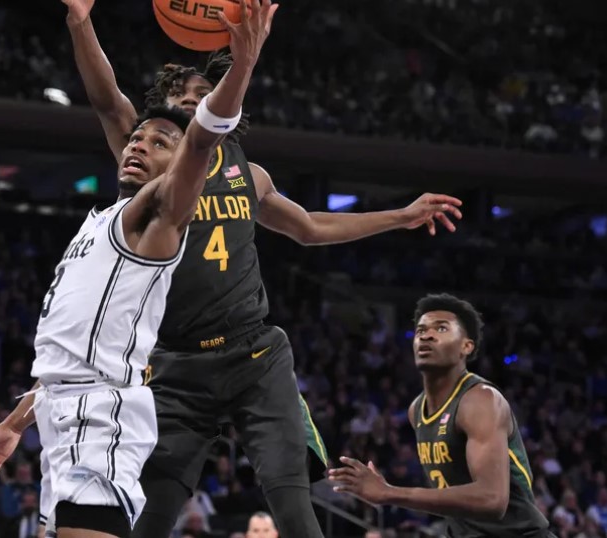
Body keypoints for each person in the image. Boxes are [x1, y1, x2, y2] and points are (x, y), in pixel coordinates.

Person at [55, 1, 464, 537]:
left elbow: (311, 228)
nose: (200, 104)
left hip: (254, 354)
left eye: (207, 96)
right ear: (167, 111)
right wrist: (81, 21)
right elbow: (107, 99)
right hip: (175, 364)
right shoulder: (150, 153)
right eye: (187, 98)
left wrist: (401, 216)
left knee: (292, 501)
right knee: (153, 512)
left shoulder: (252, 174)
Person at [0, 3, 274, 536]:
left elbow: (201, 137)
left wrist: (242, 64)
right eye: (136, 138)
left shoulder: (158, 220)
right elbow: (70, 356)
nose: (139, 145)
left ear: (182, 170)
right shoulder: (97, 224)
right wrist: (14, 424)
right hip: (62, 416)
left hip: (102, 419)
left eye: (159, 143)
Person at [329, 293, 555, 538]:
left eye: (441, 328)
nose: (426, 335)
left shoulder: (480, 400)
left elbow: (492, 500)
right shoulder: (417, 410)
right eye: (420, 330)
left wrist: (389, 492)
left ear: (466, 346)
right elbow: (452, 495)